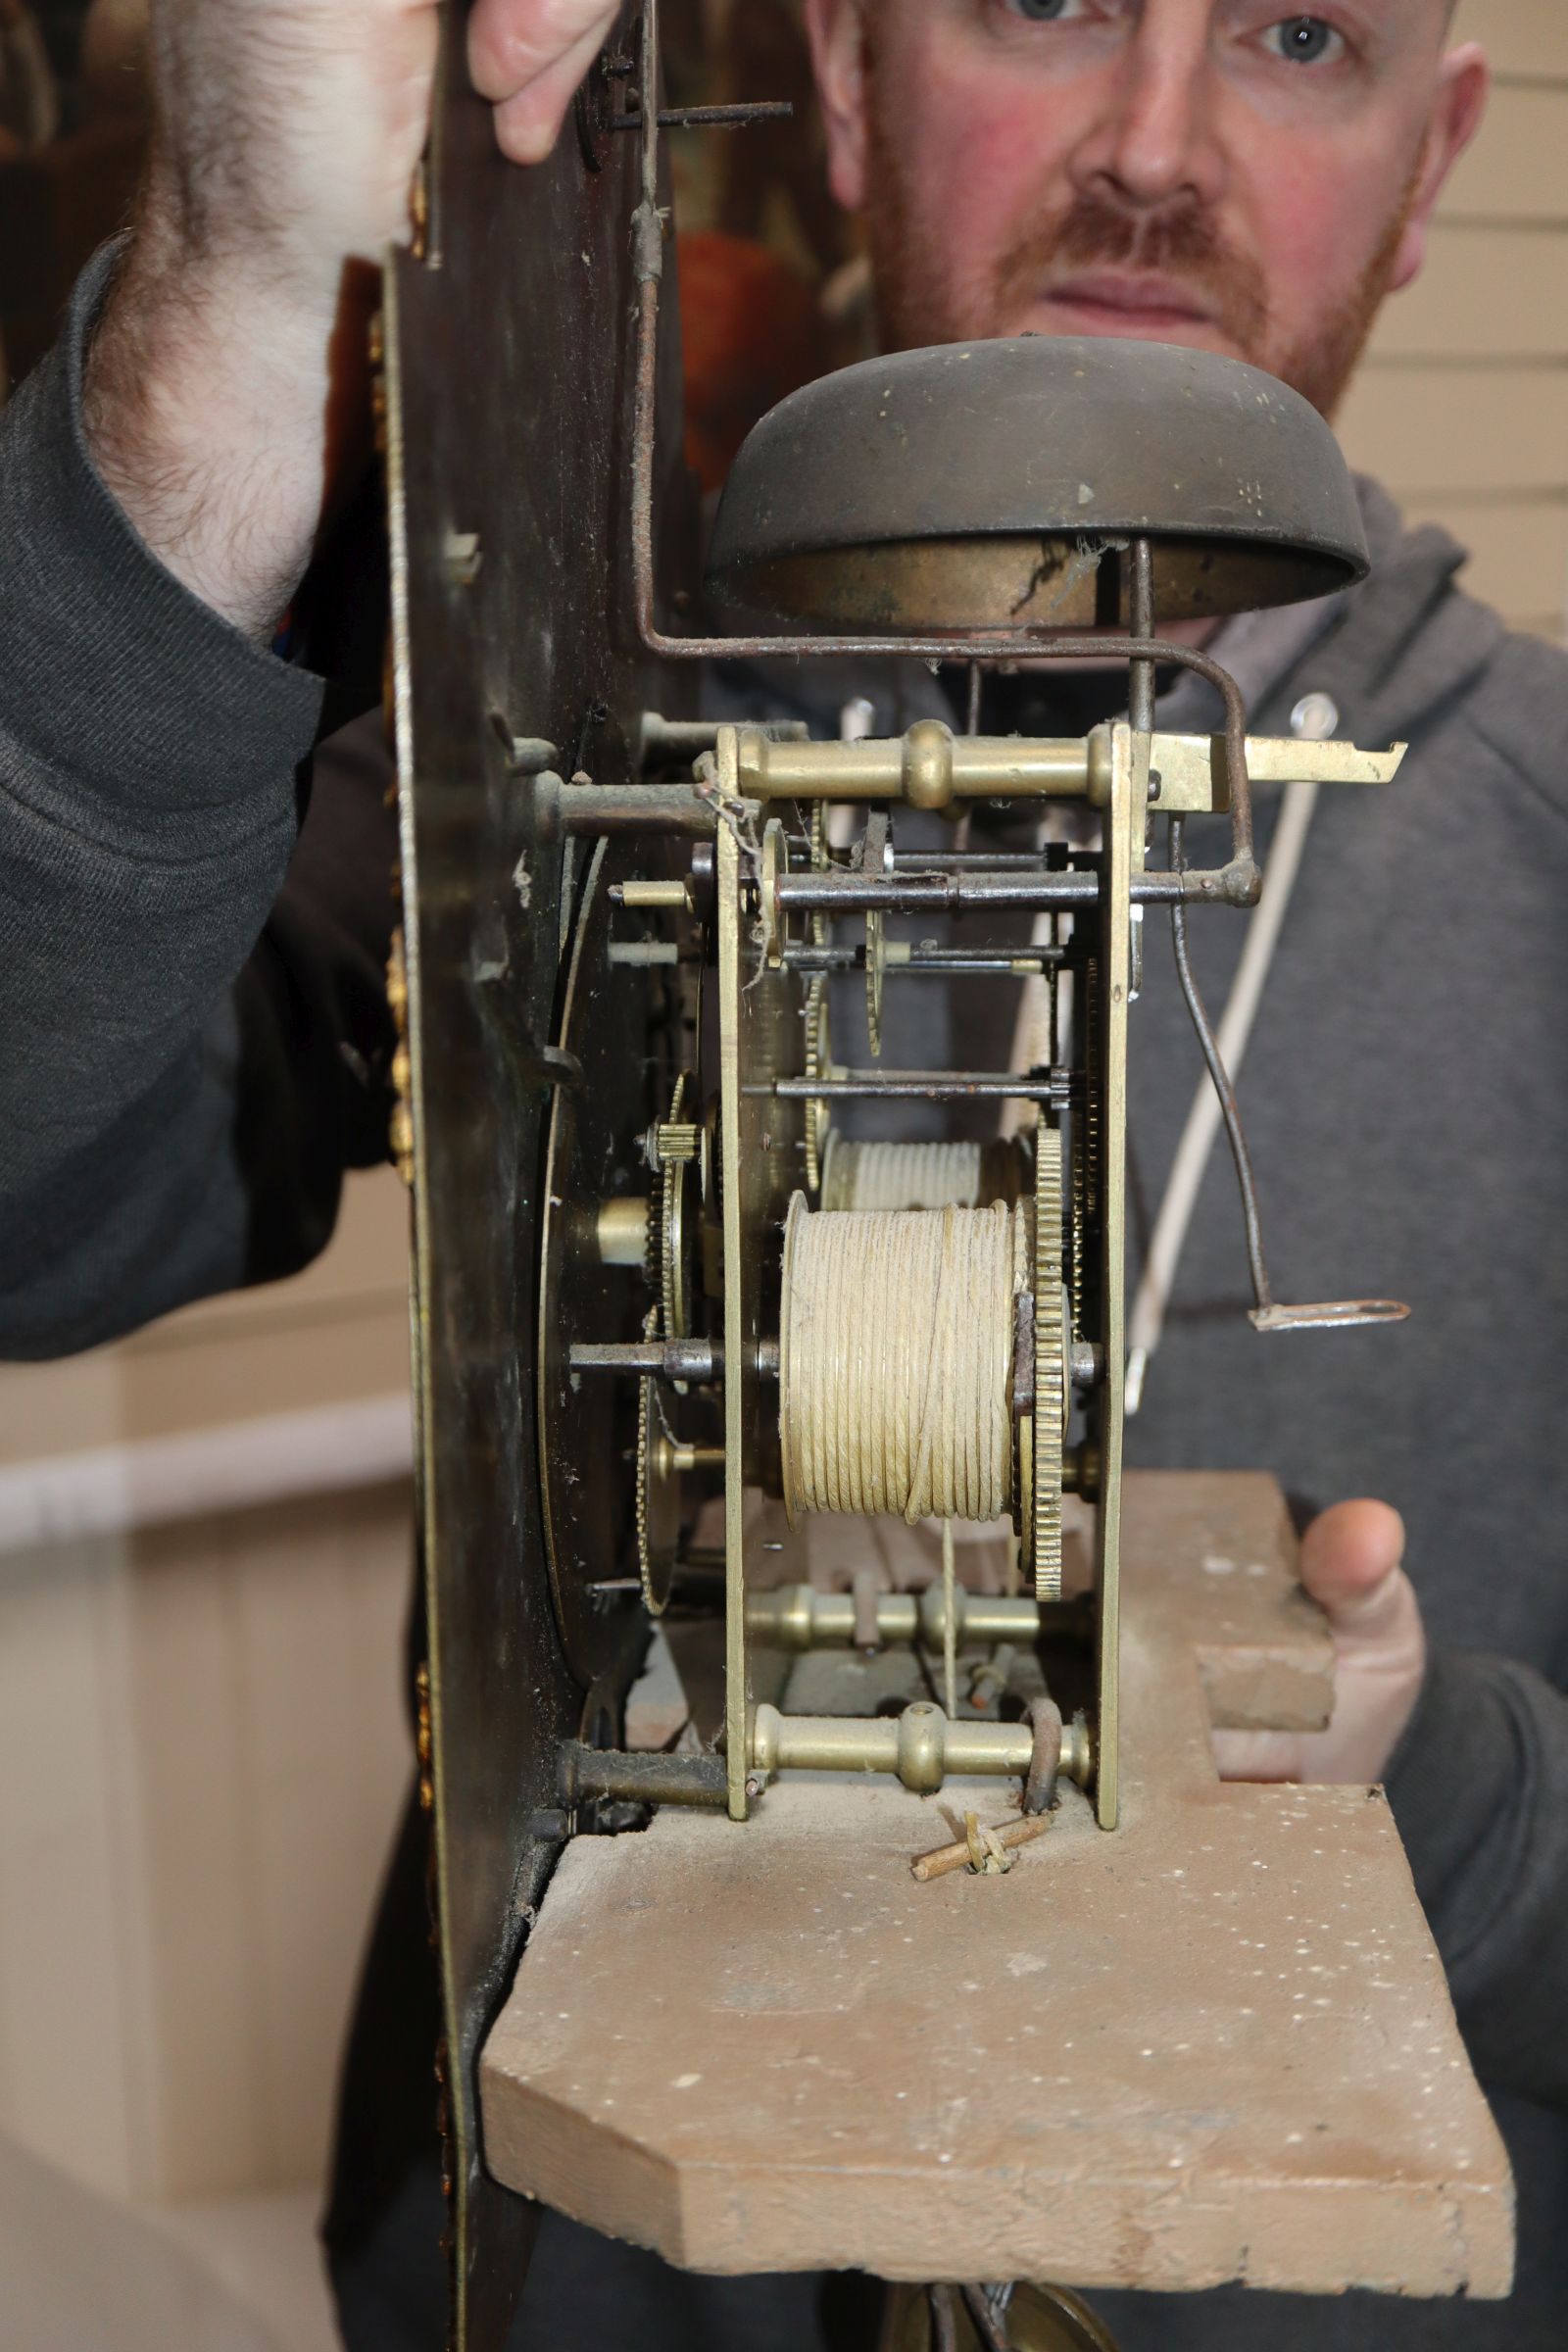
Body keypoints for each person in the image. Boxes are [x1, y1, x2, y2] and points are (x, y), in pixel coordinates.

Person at [2, 2, 1565, 2348]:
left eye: (1294, 34)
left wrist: (1440, 1793)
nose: (1150, 147)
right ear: (838, 79)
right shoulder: (553, 724)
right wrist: (234, 290)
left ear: (1433, 156)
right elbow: (36, 1199)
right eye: (1041, 0)